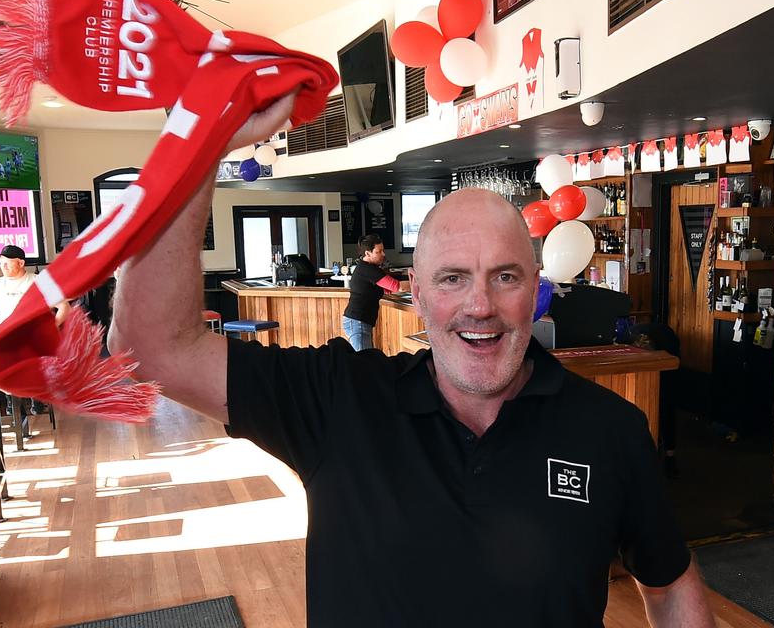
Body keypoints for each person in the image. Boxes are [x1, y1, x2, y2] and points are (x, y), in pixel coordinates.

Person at [108, 96, 716, 627]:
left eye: (504, 276)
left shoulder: (611, 430)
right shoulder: (338, 399)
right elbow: (148, 348)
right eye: (453, 278)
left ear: (536, 289)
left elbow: (669, 581)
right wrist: (196, 139)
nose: (480, 305)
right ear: (416, 294)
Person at [0, 244, 70, 323]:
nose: (3, 266)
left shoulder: (39, 282)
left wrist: (52, 328)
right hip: (6, 336)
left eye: (8, 263)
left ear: (21, 263)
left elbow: (65, 307)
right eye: (1, 262)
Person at [342, 234, 400, 351]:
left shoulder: (368, 268)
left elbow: (386, 289)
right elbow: (396, 286)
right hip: (358, 322)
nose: (383, 254)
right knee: (363, 363)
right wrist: (420, 283)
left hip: (359, 321)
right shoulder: (367, 269)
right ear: (368, 254)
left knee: (366, 360)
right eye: (379, 251)